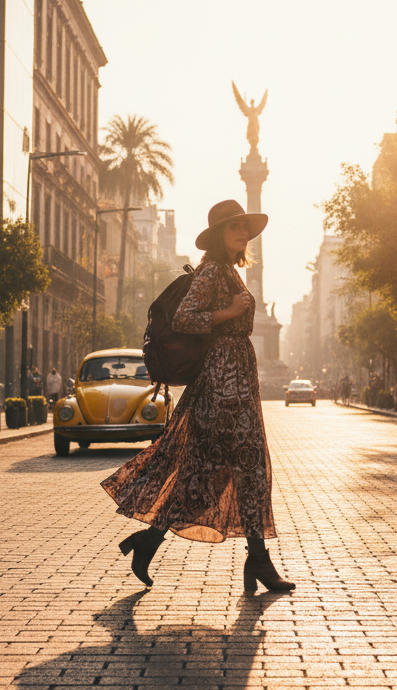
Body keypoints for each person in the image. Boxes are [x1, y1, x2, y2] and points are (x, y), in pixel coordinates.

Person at [102, 199, 294, 593]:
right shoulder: (210, 272)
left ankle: (246, 558)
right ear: (218, 236)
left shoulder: (227, 272)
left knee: (235, 472)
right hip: (221, 387)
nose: (242, 233)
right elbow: (184, 318)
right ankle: (249, 559)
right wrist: (228, 312)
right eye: (233, 227)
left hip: (237, 382)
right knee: (226, 472)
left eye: (244, 227)